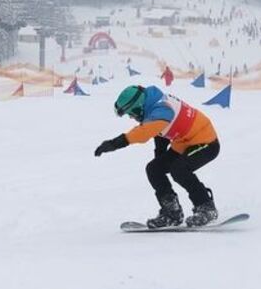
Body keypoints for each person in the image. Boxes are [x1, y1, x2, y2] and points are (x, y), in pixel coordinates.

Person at [94, 85, 220, 228]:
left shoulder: (161, 109)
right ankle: (171, 213)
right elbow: (161, 132)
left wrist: (113, 144)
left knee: (179, 169)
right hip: (184, 143)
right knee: (154, 169)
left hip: (206, 142)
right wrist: (160, 156)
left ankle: (206, 208)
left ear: (139, 107)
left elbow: (143, 133)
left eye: (132, 113)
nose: (132, 117)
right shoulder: (153, 103)